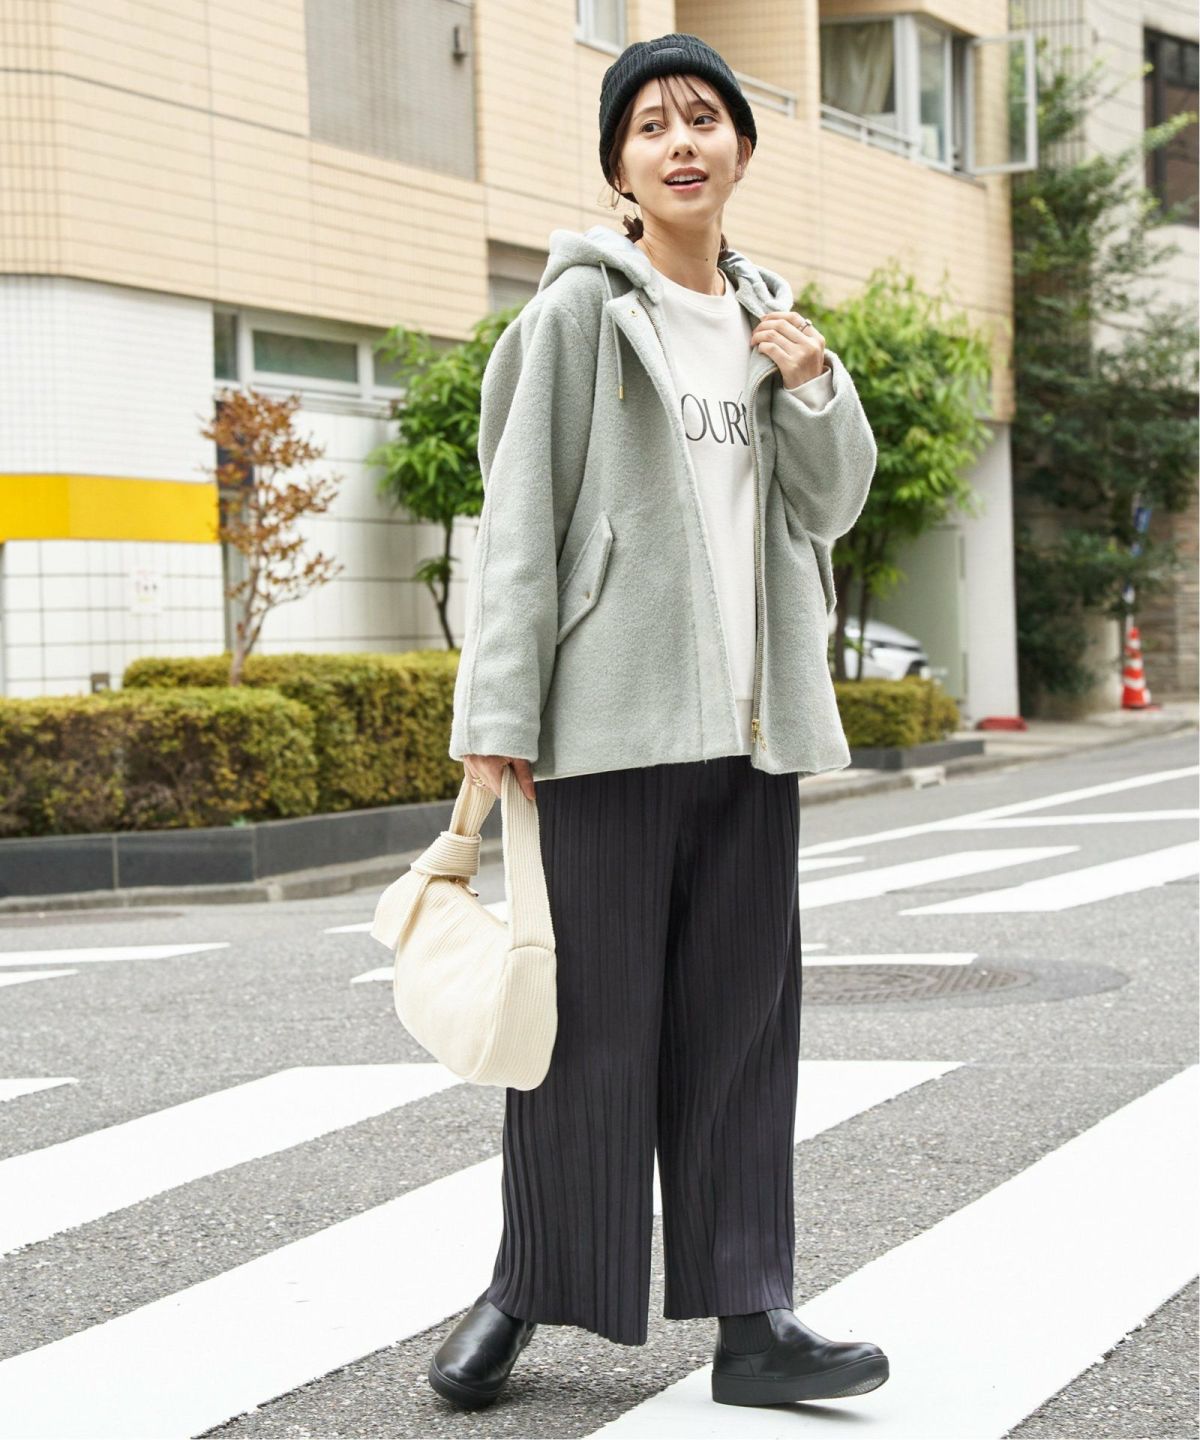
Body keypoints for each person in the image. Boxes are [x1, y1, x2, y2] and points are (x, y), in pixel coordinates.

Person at [429, 32, 889, 1412]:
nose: (681, 142)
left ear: (741, 148)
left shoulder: (770, 318)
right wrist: (497, 709)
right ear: (619, 170)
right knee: (586, 1031)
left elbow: (828, 507)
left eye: (703, 119)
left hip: (752, 737)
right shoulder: (577, 316)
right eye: (651, 126)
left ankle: (754, 1318)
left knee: (741, 1032)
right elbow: (522, 523)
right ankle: (526, 1287)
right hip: (610, 732)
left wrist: (816, 386)